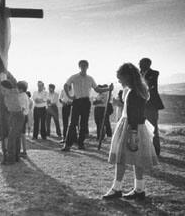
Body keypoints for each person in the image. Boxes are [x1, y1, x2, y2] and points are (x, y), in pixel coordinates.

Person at [103, 63, 159, 200]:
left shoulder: (134, 92)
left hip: (130, 126)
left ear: (128, 77)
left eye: (120, 78)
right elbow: (135, 111)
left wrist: (132, 133)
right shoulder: (137, 90)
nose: (119, 81)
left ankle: (117, 189)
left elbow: (134, 114)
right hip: (135, 125)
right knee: (136, 159)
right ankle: (139, 189)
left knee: (120, 158)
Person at [62, 60, 112, 151]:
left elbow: (97, 89)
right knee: (73, 123)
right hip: (77, 101)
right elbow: (66, 85)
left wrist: (108, 88)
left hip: (86, 102)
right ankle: (67, 145)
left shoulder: (90, 78)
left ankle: (81, 144)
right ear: (79, 66)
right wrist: (69, 96)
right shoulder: (74, 77)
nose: (83, 67)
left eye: (85, 66)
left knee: (84, 124)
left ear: (87, 67)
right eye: (82, 65)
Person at [139, 58, 164, 157]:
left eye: (141, 64)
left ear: (148, 64)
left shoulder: (154, 73)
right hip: (141, 105)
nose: (140, 66)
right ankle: (145, 149)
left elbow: (149, 84)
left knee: (153, 127)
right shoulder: (138, 74)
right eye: (139, 64)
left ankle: (155, 151)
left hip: (151, 105)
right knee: (142, 127)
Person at [1, 79, 28, 165]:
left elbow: (14, 84)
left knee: (12, 137)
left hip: (18, 115)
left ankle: (11, 159)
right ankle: (16, 157)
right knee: (15, 137)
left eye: (3, 89)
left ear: (8, 88)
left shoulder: (15, 93)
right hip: (12, 115)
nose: (2, 91)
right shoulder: (6, 96)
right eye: (1, 90)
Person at [20, 85, 30, 157]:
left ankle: (24, 151)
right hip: (23, 116)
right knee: (22, 134)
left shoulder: (23, 96)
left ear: (21, 89)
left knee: (22, 135)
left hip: (22, 116)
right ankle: (23, 151)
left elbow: (22, 108)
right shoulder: (23, 95)